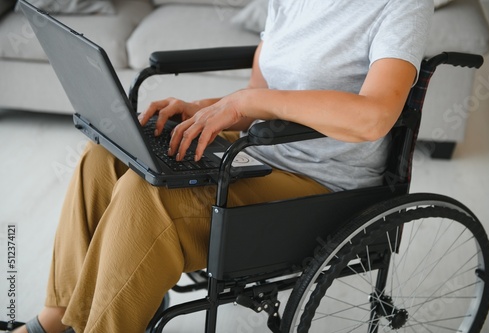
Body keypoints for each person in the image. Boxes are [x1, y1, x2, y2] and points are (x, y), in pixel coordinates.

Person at [14, 1, 433, 332]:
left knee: (150, 198)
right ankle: (59, 318)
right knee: (105, 156)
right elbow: (260, 95)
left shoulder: (401, 5)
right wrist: (203, 110)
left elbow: (374, 117)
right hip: (260, 149)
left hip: (324, 184)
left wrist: (246, 103)